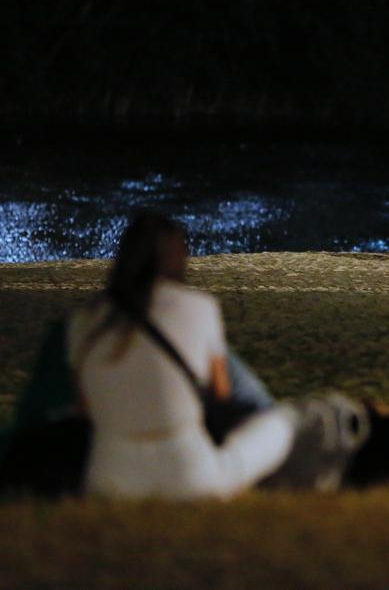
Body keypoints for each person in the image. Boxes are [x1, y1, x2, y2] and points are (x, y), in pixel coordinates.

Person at [65, 211, 365, 500]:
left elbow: (85, 407)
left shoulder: (83, 321)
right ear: (176, 258)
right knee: (289, 419)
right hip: (190, 477)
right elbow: (220, 392)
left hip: (109, 480)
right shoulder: (198, 306)